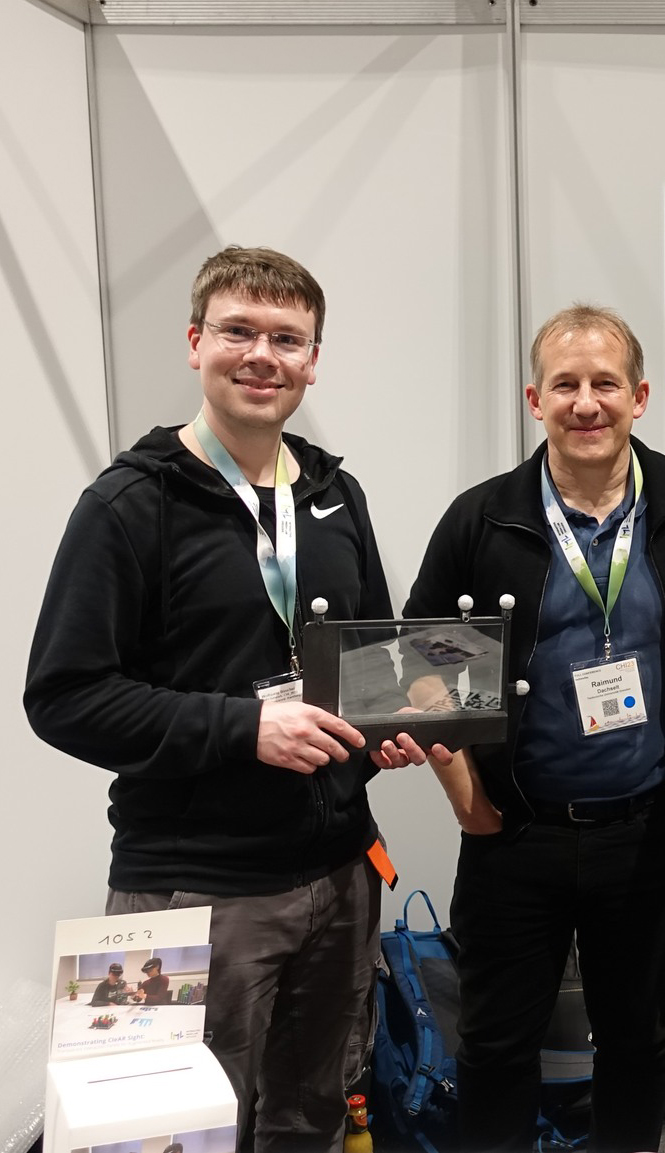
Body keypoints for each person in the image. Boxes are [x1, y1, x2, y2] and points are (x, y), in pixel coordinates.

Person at [26, 246, 408, 1152]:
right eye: (238, 331)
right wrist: (243, 727)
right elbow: (64, 696)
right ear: (196, 342)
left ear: (313, 360)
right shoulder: (129, 504)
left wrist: (389, 727)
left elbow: (376, 657)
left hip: (340, 877)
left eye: (287, 337)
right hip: (194, 887)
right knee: (172, 1135)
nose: (261, 355)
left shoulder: (331, 492)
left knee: (309, 1116)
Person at [401, 304, 665, 1152]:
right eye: (566, 385)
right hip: (514, 834)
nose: (585, 402)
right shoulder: (483, 520)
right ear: (534, 398)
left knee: (637, 1040)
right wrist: (461, 796)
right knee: (495, 1045)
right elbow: (415, 667)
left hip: (646, 828)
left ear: (640, 395)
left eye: (604, 384)